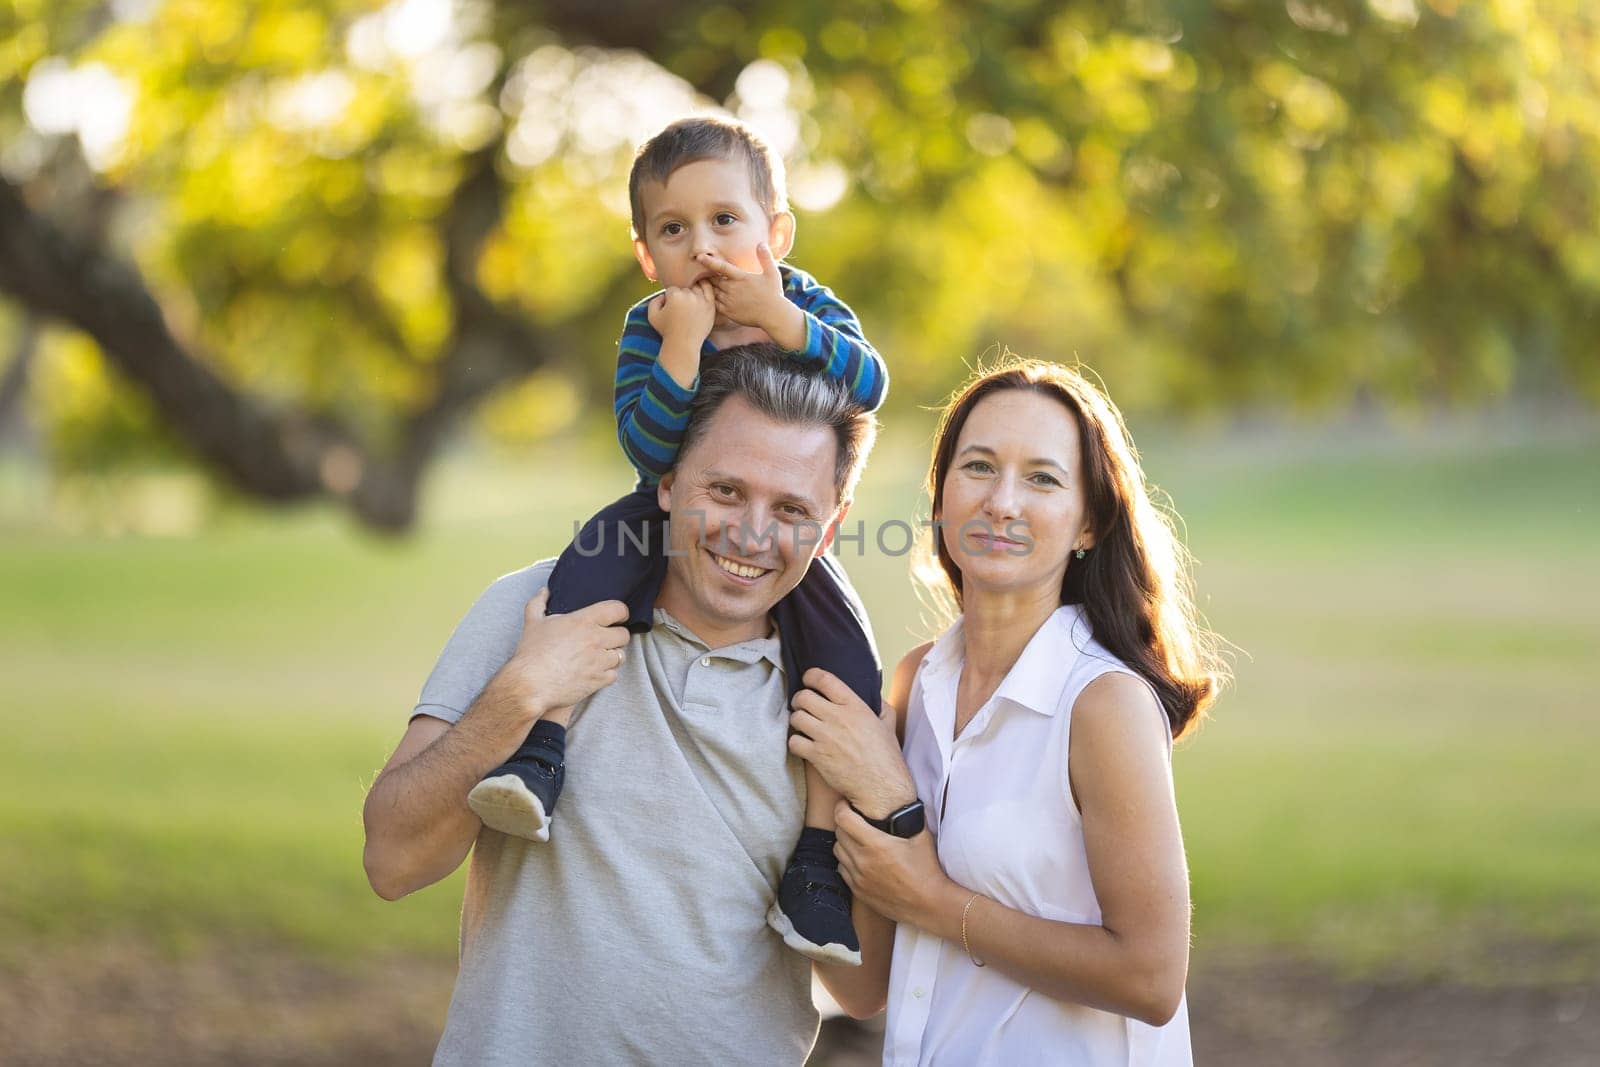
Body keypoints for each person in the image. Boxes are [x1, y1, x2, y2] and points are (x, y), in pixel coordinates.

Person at [361, 346, 902, 1065]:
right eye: (727, 491)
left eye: (792, 508)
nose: (750, 532)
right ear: (669, 482)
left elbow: (860, 989)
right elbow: (392, 861)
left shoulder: (837, 707)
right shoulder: (536, 610)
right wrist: (521, 693)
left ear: (832, 526)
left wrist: (889, 799)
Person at [465, 114, 889, 965]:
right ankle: (543, 748)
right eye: (674, 228)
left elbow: (871, 382)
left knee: (847, 667)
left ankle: (814, 865)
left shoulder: (802, 298)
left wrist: (780, 318)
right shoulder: (649, 324)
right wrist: (683, 347)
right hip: (662, 509)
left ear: (775, 232)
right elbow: (649, 446)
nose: (703, 245)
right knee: (582, 579)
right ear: (645, 252)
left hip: (780, 539)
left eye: (726, 221)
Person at [790, 358, 1225, 1065]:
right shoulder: (915, 684)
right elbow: (861, 984)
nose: (1002, 501)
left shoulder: (1101, 703)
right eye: (979, 467)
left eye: (1043, 478)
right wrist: (839, 790)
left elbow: (1151, 978)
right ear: (941, 496)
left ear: (1088, 522)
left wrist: (932, 897)